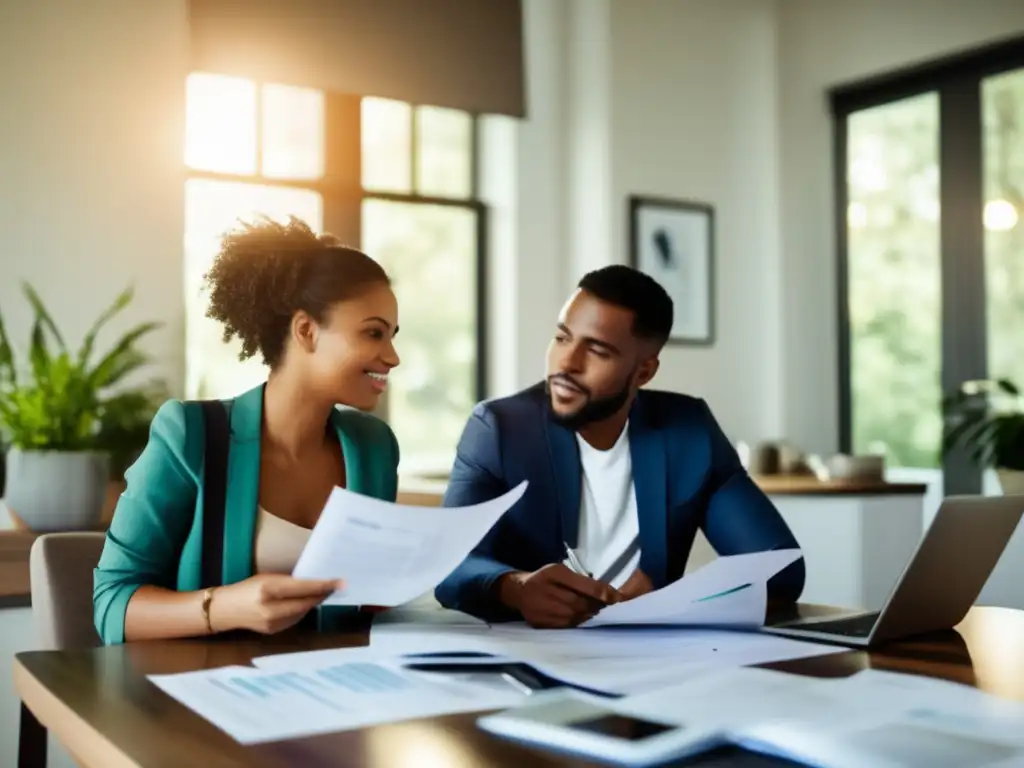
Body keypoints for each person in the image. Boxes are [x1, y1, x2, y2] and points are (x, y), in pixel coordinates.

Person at [435, 265, 804, 627]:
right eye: (562, 337)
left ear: (643, 372)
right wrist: (516, 588)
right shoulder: (499, 429)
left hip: (649, 659)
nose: (567, 362)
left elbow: (781, 567)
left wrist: (676, 599)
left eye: (596, 350)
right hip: (529, 657)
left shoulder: (688, 431)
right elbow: (447, 564)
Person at [93, 216, 401, 645]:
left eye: (392, 336)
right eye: (374, 333)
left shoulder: (373, 446)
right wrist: (224, 607)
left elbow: (364, 600)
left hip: (333, 687)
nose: (392, 357)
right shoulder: (191, 436)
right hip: (206, 690)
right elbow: (112, 604)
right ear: (306, 331)